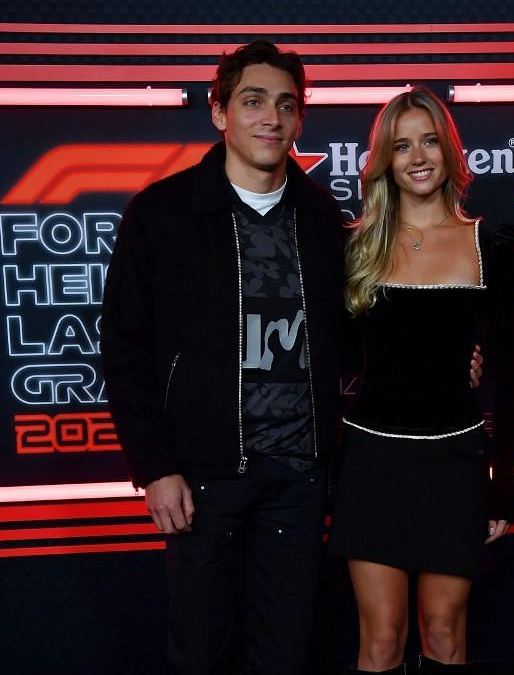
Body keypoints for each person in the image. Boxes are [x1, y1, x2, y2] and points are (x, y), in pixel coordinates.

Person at [100, 40, 345, 674]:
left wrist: (452, 360)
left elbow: (354, 335)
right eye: (253, 101)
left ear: (300, 120)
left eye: (286, 105)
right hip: (204, 478)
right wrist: (154, 466)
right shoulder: (163, 212)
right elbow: (125, 349)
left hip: (299, 476)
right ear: (219, 113)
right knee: (202, 656)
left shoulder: (322, 217)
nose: (271, 117)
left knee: (287, 655)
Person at [327, 87, 514, 674]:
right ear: (384, 159)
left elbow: (509, 374)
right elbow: (333, 359)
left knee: (443, 635)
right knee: (382, 639)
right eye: (402, 144)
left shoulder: (493, 244)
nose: (418, 156)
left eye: (430, 141)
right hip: (370, 461)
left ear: (450, 152)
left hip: (453, 461)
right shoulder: (353, 246)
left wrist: (504, 478)